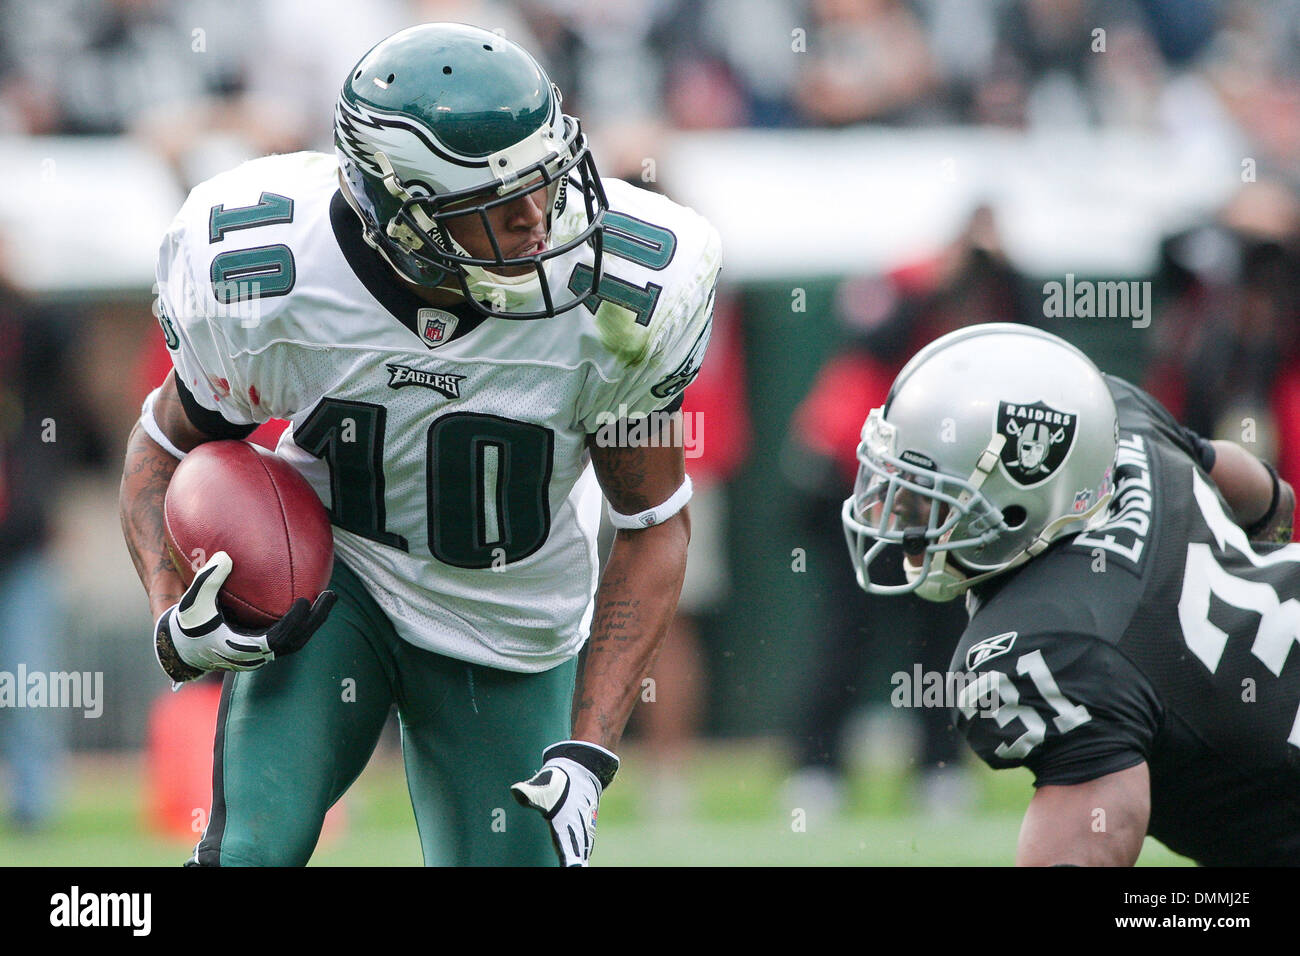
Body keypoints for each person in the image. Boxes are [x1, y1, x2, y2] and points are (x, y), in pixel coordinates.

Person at [118, 22, 721, 867]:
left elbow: (653, 522)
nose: (539, 222)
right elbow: (161, 448)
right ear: (402, 218)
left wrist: (588, 749)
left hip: (505, 625)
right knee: (250, 853)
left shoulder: (619, 301)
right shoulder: (278, 273)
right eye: (497, 207)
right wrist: (167, 618)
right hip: (331, 590)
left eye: (544, 182)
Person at [841, 323, 1299, 865]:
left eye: (923, 498)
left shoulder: (1050, 643)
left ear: (1018, 499)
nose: (895, 516)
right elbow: (1267, 497)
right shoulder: (1118, 421)